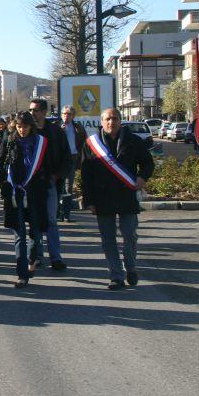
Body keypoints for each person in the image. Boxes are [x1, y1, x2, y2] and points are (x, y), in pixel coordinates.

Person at [81, 108, 154, 290]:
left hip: (126, 196)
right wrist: (89, 200)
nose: (111, 122)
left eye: (114, 118)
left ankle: (130, 266)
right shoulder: (91, 144)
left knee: (129, 234)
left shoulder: (133, 141)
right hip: (102, 197)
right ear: (102, 121)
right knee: (108, 239)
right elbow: (86, 174)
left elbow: (148, 162)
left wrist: (142, 177)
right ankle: (116, 275)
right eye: (107, 119)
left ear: (121, 121)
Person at [0, 111, 49, 288]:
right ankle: (22, 273)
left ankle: (33, 260)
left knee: (35, 232)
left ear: (31, 126)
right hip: (15, 194)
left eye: (25, 126)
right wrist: (4, 182)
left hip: (34, 194)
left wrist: (44, 181)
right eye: (18, 127)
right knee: (19, 235)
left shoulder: (40, 143)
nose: (22, 130)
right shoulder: (9, 140)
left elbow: (49, 165)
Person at [29, 98, 72, 271]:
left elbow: (67, 158)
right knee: (34, 221)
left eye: (36, 110)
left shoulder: (55, 132)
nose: (32, 113)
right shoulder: (25, 130)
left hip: (49, 182)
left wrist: (56, 176)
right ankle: (37, 256)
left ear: (44, 112)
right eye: (30, 110)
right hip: (31, 184)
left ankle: (56, 257)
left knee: (51, 221)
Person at [58, 105, 87, 221]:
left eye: (69, 114)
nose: (66, 116)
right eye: (64, 114)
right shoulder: (56, 126)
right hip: (58, 159)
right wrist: (60, 131)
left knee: (68, 186)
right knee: (58, 186)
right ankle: (57, 212)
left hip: (72, 158)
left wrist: (80, 156)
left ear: (73, 116)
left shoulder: (77, 128)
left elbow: (84, 141)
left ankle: (66, 214)